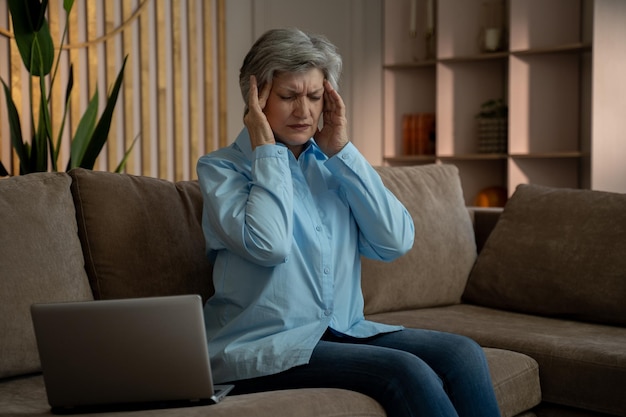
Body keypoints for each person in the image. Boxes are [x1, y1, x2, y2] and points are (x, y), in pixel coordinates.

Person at [197, 28, 501, 417]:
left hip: (341, 332)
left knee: (462, 353)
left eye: (314, 96)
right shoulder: (222, 169)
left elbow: (396, 241)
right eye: (288, 96)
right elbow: (268, 245)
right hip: (261, 347)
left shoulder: (335, 166)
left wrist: (342, 150)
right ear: (256, 100)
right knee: (404, 371)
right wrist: (266, 152)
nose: (304, 111)